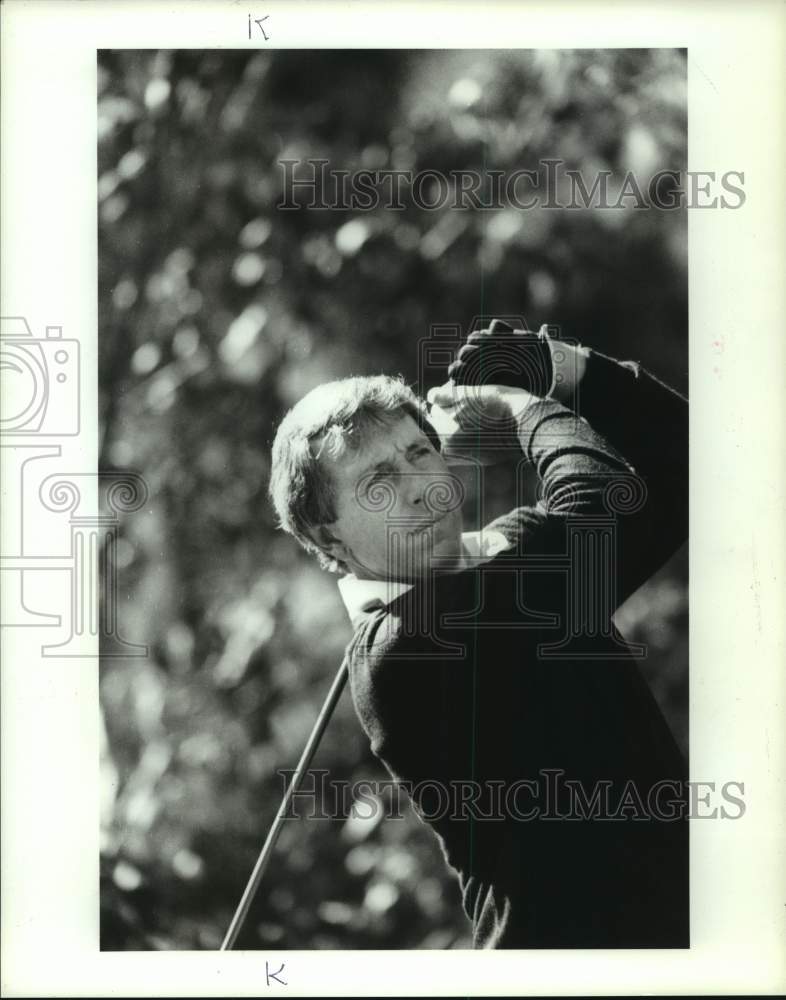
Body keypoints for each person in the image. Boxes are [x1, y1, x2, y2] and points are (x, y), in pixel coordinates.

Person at [269, 321, 689, 948]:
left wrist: (566, 366)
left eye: (420, 453)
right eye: (379, 483)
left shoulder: (509, 550)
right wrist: (523, 400)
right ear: (329, 538)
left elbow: (687, 465)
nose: (421, 488)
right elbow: (601, 505)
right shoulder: (403, 647)